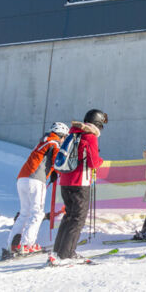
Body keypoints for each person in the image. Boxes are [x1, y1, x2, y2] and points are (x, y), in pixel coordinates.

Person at [4, 121, 68, 257]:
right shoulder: (54, 143)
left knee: (24, 213)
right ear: (61, 135)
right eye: (64, 137)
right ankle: (28, 245)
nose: (63, 140)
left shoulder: (42, 142)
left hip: (22, 178)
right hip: (35, 180)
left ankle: (12, 245)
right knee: (37, 213)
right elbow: (59, 162)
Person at [52, 109, 107, 261]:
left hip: (65, 180)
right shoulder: (90, 136)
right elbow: (93, 162)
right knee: (78, 218)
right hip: (80, 182)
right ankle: (66, 255)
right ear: (97, 123)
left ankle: (57, 252)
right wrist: (100, 161)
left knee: (69, 216)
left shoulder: (73, 133)